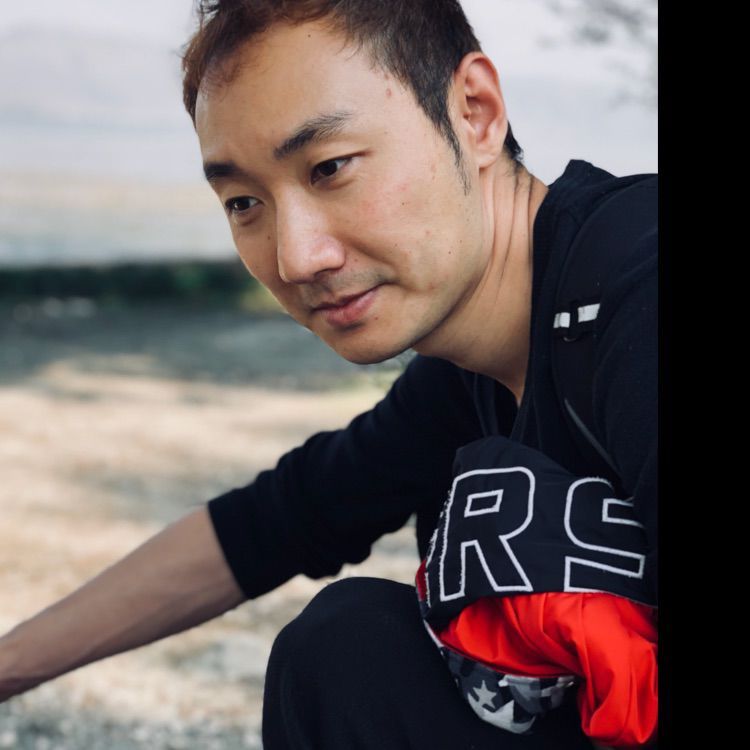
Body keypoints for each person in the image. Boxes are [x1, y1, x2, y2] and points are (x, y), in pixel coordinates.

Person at [0, 1, 657, 748]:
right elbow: (282, 519)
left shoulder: (636, 291)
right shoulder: (467, 369)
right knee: (353, 655)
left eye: (330, 168)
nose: (295, 257)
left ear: (475, 114)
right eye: (244, 203)